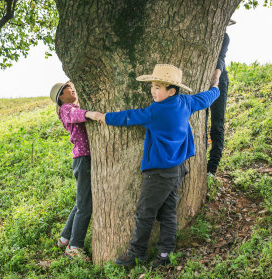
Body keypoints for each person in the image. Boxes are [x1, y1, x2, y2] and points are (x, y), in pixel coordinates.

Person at [89, 64, 219, 267]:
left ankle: (136, 252)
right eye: (152, 86)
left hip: (160, 171)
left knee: (145, 211)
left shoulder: (155, 112)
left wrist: (102, 116)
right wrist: (216, 87)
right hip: (177, 169)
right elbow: (206, 98)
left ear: (171, 91)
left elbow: (129, 117)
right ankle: (165, 254)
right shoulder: (186, 102)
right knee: (168, 212)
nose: (153, 91)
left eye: (158, 87)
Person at [50, 81, 103, 261]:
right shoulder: (66, 109)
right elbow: (75, 115)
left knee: (82, 200)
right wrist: (92, 114)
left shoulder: (74, 105)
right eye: (66, 89)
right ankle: (74, 246)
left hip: (83, 159)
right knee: (85, 205)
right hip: (83, 158)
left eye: (72, 86)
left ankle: (65, 238)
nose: (71, 89)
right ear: (60, 97)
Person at [206, 20, 235, 176]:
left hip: (219, 80)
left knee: (217, 123)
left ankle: (212, 167)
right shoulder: (203, 34)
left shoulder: (225, 37)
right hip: (202, 79)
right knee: (200, 122)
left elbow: (221, 58)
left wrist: (216, 78)